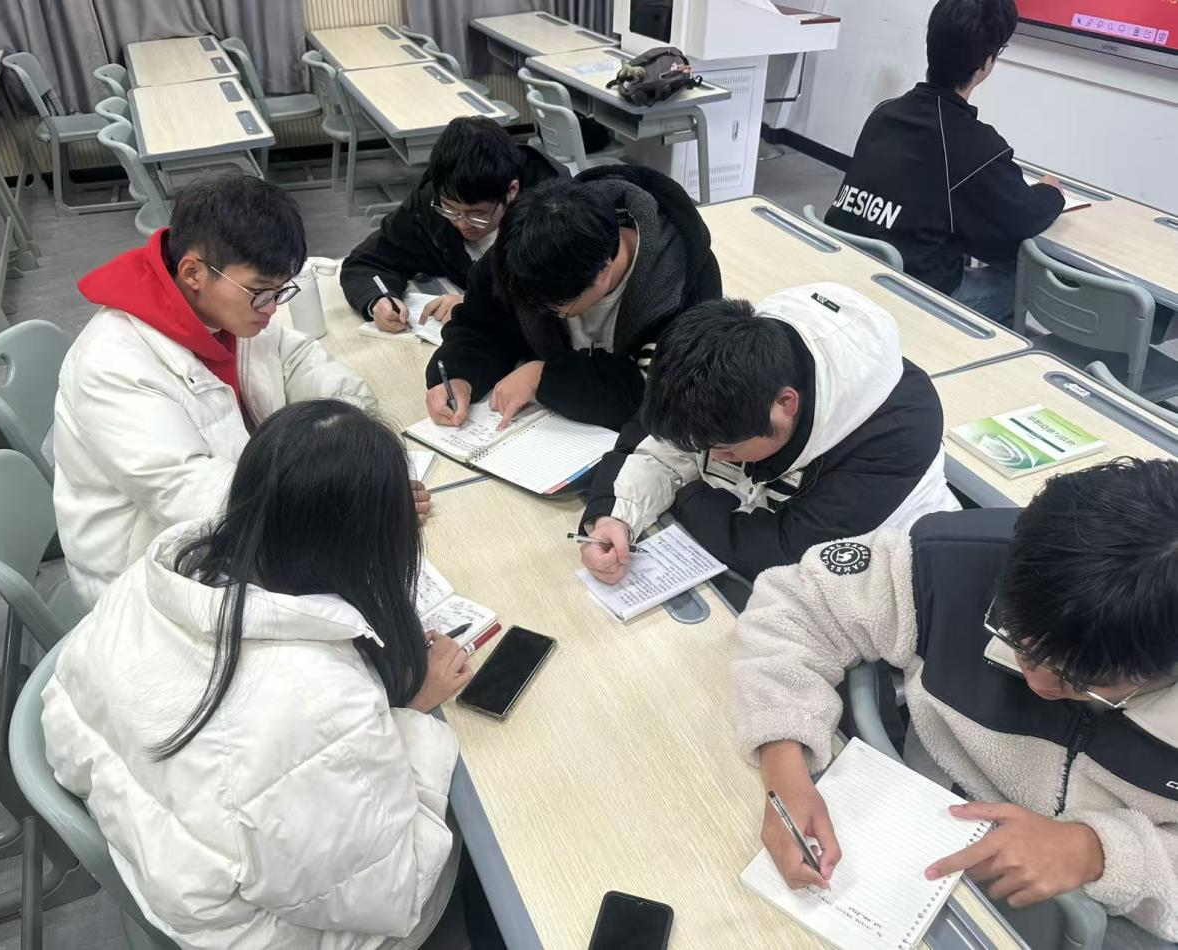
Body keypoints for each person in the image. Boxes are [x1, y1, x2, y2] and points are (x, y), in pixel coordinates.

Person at [42, 400, 474, 949]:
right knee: (490, 831)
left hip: (169, 856)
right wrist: (411, 715)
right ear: (369, 542)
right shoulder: (318, 700)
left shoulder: (157, 573)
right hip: (265, 931)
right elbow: (397, 891)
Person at [733, 458, 1178, 945]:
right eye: (1018, 644)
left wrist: (1101, 851)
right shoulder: (954, 562)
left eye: (1080, 682)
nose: (1038, 682)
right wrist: (783, 764)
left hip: (1122, 912)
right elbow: (795, 604)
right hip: (930, 835)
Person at [54, 176, 426, 608]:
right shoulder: (113, 364)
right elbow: (189, 494)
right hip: (157, 574)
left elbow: (295, 358)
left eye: (281, 291)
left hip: (255, 521)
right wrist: (347, 496)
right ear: (193, 273)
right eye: (261, 292)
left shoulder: (227, 310)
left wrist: (357, 447)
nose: (272, 308)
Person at [580, 286, 957, 586]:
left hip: (887, 581)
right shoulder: (730, 362)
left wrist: (687, 494)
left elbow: (783, 554)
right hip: (747, 537)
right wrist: (614, 517)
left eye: (725, 449)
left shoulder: (896, 433)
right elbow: (659, 447)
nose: (713, 456)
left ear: (785, 404)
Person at [423, 166, 722, 432]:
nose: (537, 310)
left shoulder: (683, 286)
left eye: (555, 308)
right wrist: (459, 375)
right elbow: (482, 325)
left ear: (603, 271)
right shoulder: (524, 249)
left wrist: (545, 377)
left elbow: (663, 398)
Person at [823, 0, 1065, 323]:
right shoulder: (974, 144)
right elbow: (1024, 218)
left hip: (848, 271)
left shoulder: (884, 113)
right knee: (1021, 278)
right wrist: (1051, 192)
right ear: (987, 62)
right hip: (911, 297)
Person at [340, 116, 564, 333]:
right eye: (450, 210)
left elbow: (559, 300)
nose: (461, 223)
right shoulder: (430, 202)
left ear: (511, 191)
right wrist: (378, 298)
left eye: (477, 214)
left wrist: (475, 304)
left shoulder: (555, 216)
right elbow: (367, 261)